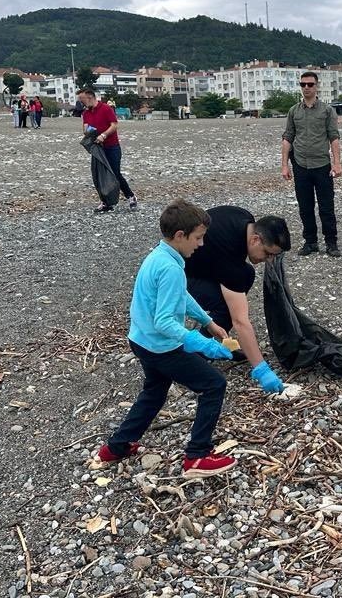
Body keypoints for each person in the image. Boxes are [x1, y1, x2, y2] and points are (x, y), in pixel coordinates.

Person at [97, 200, 237, 477]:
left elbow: (181, 295)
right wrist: (200, 342)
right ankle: (197, 456)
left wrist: (208, 322)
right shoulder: (171, 268)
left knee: (154, 391)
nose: (201, 244)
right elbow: (164, 322)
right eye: (198, 238)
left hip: (140, 340)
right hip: (160, 346)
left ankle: (116, 447)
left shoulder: (159, 256)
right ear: (180, 235)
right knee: (213, 385)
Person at [186, 206, 290, 388]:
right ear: (255, 239)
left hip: (201, 262)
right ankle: (196, 355)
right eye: (268, 253)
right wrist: (261, 369)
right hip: (178, 274)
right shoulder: (231, 258)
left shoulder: (245, 218)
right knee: (227, 305)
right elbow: (240, 321)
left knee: (247, 274)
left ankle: (212, 340)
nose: (269, 260)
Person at [282, 72, 342, 258]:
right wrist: (284, 165)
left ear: (317, 86)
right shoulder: (294, 111)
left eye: (310, 84)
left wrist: (337, 163)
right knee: (305, 207)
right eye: (303, 84)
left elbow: (334, 137)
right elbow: (288, 137)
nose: (306, 87)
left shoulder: (327, 111)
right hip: (300, 165)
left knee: (326, 207)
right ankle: (310, 242)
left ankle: (331, 243)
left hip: (322, 165)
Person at [79, 87, 138, 213]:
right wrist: (88, 132)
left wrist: (103, 135)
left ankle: (130, 196)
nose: (81, 103)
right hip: (98, 149)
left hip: (112, 147)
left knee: (115, 174)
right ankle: (106, 202)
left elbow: (114, 125)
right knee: (99, 175)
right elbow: (85, 128)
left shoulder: (106, 108)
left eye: (82, 100)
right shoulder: (86, 113)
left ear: (90, 97)